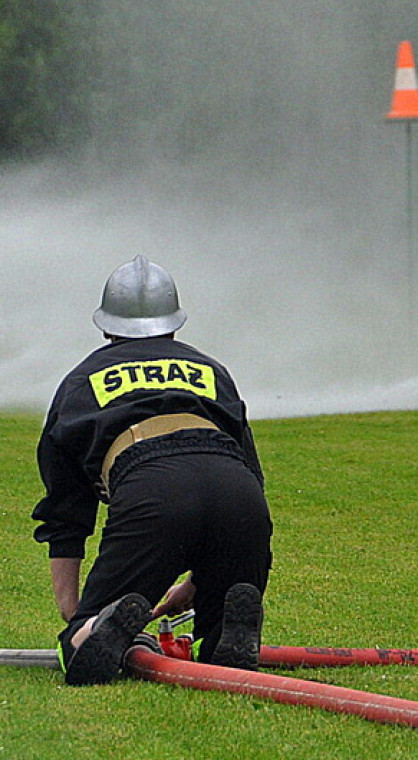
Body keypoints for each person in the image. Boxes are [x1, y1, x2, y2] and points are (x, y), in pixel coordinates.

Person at [32, 255, 273, 685]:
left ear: (106, 327)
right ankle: (224, 634)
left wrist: (75, 613)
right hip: (238, 493)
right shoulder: (211, 370)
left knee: (81, 643)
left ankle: (94, 632)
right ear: (174, 324)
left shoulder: (80, 382)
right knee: (221, 619)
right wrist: (197, 583)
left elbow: (65, 512)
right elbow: (251, 473)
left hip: (154, 489)